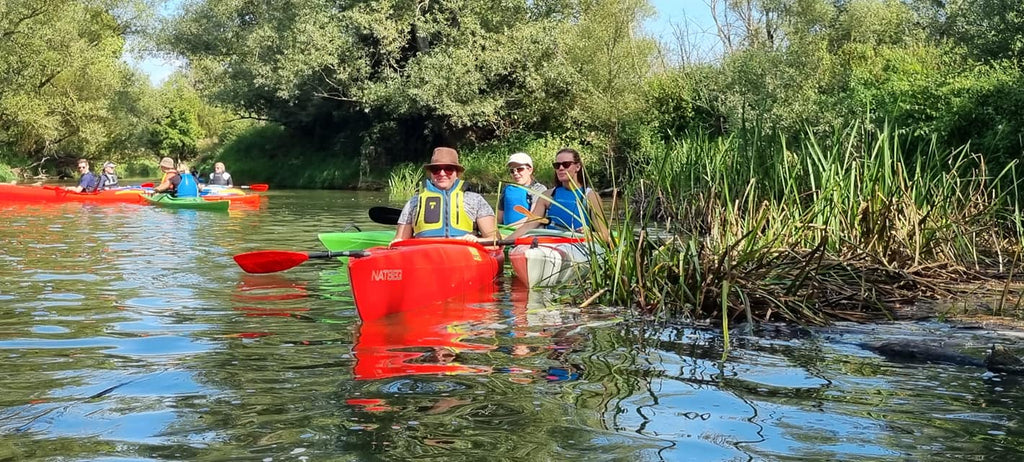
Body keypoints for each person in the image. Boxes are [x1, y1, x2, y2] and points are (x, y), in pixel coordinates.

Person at [507, 148, 611, 244]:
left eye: (566, 164)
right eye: (557, 165)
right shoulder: (547, 195)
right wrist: (503, 242)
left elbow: (604, 235)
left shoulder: (591, 196)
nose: (560, 168)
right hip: (551, 244)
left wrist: (589, 234)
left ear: (578, 167)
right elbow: (528, 226)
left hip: (578, 245)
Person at [394, 147, 499, 242]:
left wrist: (476, 240)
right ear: (431, 173)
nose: (442, 173)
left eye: (448, 169)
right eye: (436, 170)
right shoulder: (414, 202)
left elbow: (494, 240)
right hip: (426, 254)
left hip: (464, 251)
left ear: (457, 173)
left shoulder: (475, 200)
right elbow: (400, 241)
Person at [497, 152, 548, 226]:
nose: (515, 173)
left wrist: (510, 228)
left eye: (519, 169)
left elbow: (533, 218)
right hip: (506, 231)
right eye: (512, 171)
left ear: (530, 170)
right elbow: (498, 219)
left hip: (528, 232)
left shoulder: (538, 189)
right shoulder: (507, 189)